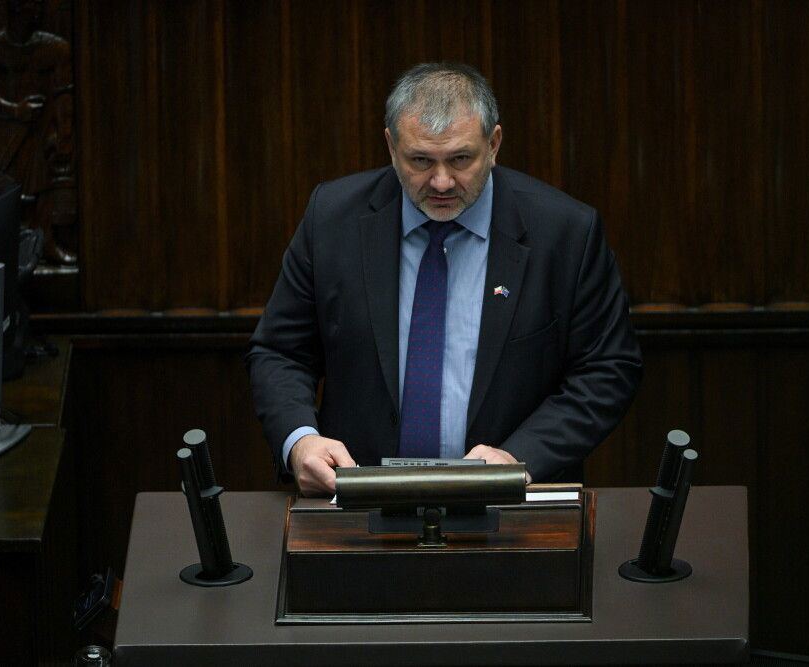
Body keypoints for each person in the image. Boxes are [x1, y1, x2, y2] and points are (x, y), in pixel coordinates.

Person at [248, 63, 642, 496]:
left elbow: (607, 368)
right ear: (391, 146)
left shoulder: (565, 233)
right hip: (357, 499)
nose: (441, 182)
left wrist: (520, 456)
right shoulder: (332, 218)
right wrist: (300, 440)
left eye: (460, 159)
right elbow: (280, 352)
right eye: (420, 160)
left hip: (510, 506)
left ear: (493, 144)